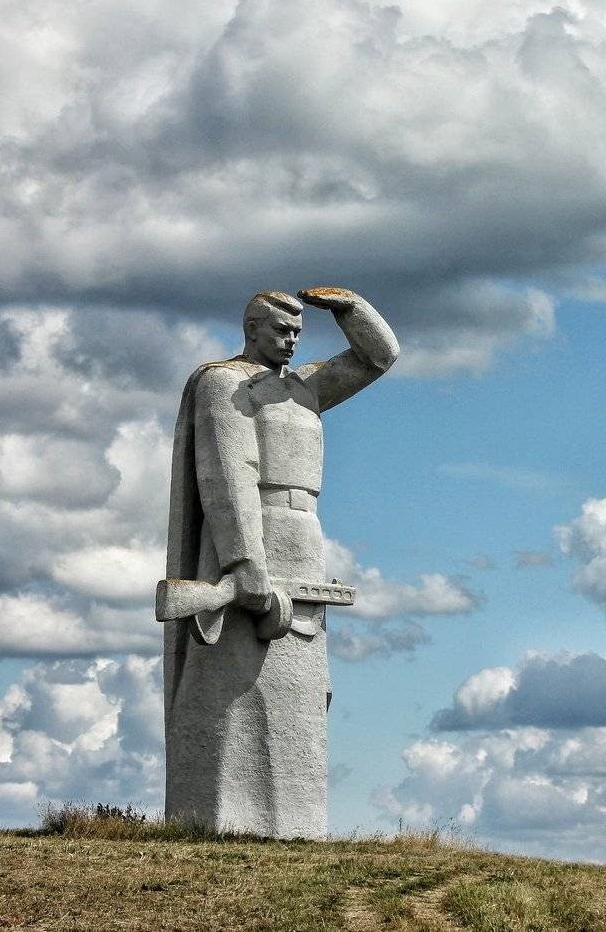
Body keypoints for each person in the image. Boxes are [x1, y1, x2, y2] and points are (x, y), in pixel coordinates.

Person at [162, 286, 397, 838]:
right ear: (251, 329)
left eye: (297, 332)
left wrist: (350, 309)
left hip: (304, 533)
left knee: (302, 687)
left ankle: (296, 822)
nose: (291, 341)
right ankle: (222, 817)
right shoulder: (224, 382)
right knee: (234, 682)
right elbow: (228, 471)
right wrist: (245, 560)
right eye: (280, 330)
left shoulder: (305, 387)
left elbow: (379, 357)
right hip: (253, 533)